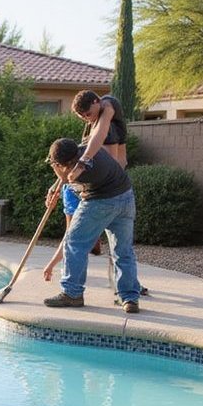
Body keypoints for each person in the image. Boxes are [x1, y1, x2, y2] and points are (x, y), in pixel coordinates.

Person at [41, 137, 142, 313]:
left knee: (74, 243)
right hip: (126, 197)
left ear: (61, 165)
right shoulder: (87, 151)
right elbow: (66, 175)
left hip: (101, 202)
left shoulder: (82, 174)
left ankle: (72, 293)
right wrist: (53, 188)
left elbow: (66, 177)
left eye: (55, 165)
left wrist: (58, 173)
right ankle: (129, 298)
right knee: (123, 250)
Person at [46, 89, 131, 274]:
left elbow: (102, 140)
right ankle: (59, 268)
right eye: (83, 116)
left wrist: (83, 162)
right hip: (94, 187)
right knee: (78, 236)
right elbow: (70, 163)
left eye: (88, 114)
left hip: (106, 188)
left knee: (79, 239)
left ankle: (68, 279)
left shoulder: (107, 110)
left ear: (96, 102)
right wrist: (56, 186)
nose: (87, 118)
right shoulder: (94, 122)